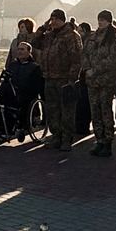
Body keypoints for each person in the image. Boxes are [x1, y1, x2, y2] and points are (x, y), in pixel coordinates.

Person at [35, 11, 84, 149]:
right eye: (52, 19)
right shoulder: (49, 35)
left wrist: (72, 78)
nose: (53, 22)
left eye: (56, 19)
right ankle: (56, 136)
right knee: (52, 109)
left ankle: (67, 139)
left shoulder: (71, 36)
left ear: (62, 20)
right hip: (49, 77)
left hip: (65, 78)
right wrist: (42, 28)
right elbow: (34, 43)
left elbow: (76, 59)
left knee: (67, 110)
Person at [83, 11, 116, 156]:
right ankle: (99, 140)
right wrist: (87, 68)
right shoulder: (92, 36)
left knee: (105, 110)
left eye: (103, 20)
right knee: (95, 111)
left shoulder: (114, 38)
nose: (101, 22)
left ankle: (107, 142)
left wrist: (95, 70)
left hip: (106, 80)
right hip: (92, 81)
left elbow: (114, 59)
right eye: (99, 19)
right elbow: (84, 54)